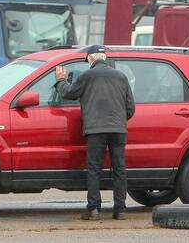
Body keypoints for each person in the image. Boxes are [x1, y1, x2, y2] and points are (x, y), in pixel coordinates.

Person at [55, 45, 135, 220]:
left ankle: (93, 210)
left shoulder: (88, 75)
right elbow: (130, 108)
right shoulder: (121, 76)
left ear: (91, 58)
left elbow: (69, 93)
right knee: (120, 169)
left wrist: (61, 80)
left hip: (96, 129)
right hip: (118, 129)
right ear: (104, 58)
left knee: (94, 169)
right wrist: (118, 121)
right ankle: (120, 210)